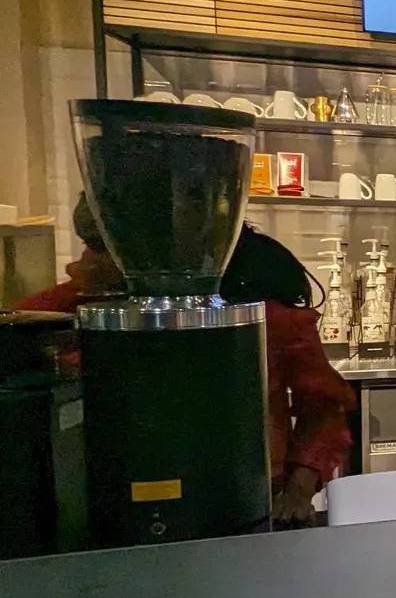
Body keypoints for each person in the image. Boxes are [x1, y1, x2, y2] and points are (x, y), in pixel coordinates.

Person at [12, 201, 357, 527]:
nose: (85, 261)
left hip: (246, 499)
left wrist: (298, 489)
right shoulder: (84, 305)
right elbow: (18, 327)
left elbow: (325, 408)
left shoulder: (257, 316)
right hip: (102, 503)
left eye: (100, 248)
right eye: (90, 245)